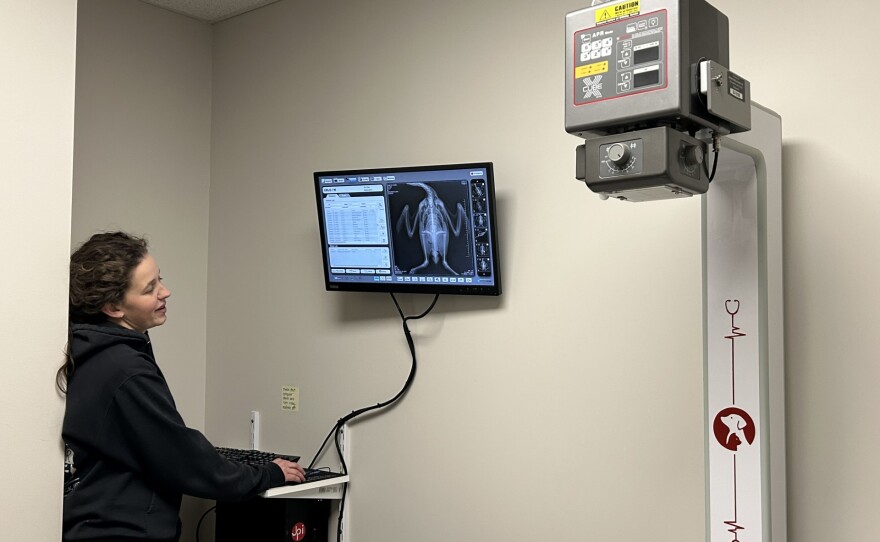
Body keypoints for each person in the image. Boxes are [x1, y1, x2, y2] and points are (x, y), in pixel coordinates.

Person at [57, 231, 305, 542]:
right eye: (150, 289)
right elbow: (187, 462)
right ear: (113, 307)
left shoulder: (90, 350)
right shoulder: (124, 371)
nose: (166, 292)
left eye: (160, 279)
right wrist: (269, 473)